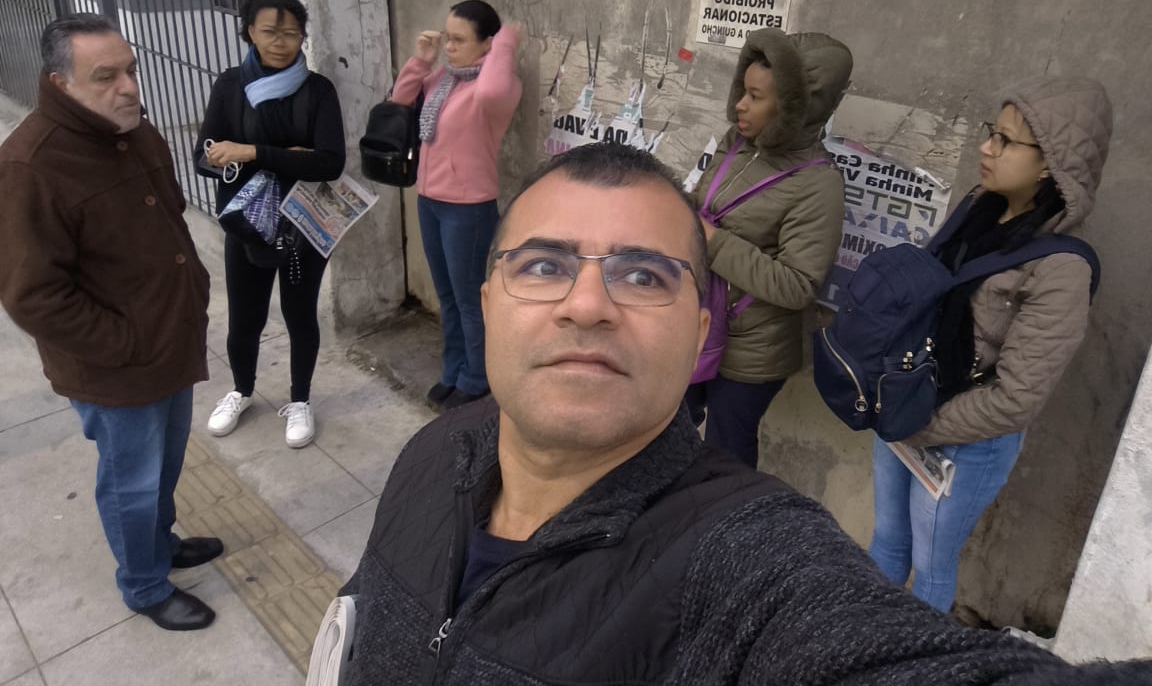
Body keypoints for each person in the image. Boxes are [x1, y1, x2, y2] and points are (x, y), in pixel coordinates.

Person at [335, 141, 1150, 685]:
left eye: (643, 276)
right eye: (544, 266)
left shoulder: (745, 566)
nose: (586, 304)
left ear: (698, 334)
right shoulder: (432, 454)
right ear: (488, 303)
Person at [0, 14, 221, 630]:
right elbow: (32, 295)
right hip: (115, 366)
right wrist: (124, 342)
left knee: (164, 466)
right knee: (132, 482)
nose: (128, 87)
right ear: (61, 83)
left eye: (131, 70)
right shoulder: (30, 165)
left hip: (170, 340)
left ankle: (160, 544)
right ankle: (145, 586)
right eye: (106, 76)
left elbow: (168, 217)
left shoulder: (134, 130)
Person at [869, 76, 1113, 612]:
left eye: (1005, 140)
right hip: (908, 401)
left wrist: (920, 425)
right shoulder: (977, 210)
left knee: (930, 568)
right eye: (990, 132)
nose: (985, 148)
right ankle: (859, 643)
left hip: (964, 441)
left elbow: (1016, 399)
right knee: (886, 541)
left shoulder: (1061, 266)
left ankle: (917, 654)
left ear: (1049, 163)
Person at [684, 27, 850, 467]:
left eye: (755, 97)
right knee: (668, 433)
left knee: (724, 460)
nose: (740, 104)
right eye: (743, 90)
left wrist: (712, 241)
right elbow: (704, 204)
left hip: (751, 351)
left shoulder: (819, 184)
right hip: (697, 320)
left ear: (794, 108)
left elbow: (797, 285)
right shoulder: (737, 143)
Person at [194, 0, 345, 448]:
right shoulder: (229, 86)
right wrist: (286, 156)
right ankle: (241, 390)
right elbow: (203, 156)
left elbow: (329, 163)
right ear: (249, 33)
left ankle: (299, 400)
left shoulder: (318, 90)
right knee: (245, 316)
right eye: (270, 32)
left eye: (292, 33)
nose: (281, 43)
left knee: (300, 313)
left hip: (303, 223)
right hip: (247, 222)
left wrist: (250, 151)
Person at [390, 0, 522, 411]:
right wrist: (421, 59)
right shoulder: (441, 80)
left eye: (459, 40)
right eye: (448, 37)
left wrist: (506, 40)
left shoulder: (498, 89)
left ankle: (476, 377)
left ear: (487, 45)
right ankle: (452, 370)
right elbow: (400, 99)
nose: (449, 47)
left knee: (469, 299)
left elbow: (493, 89)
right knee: (446, 295)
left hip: (468, 208)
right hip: (430, 201)